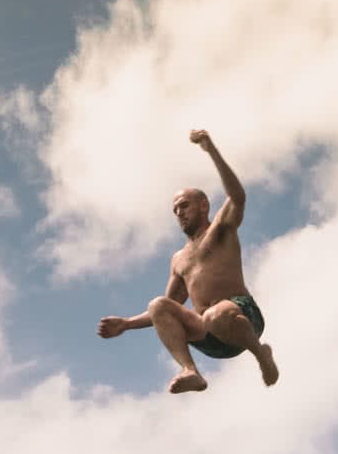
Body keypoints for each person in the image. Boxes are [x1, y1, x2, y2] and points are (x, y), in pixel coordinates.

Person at [97, 129, 280, 394]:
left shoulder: (220, 229)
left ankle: (261, 354)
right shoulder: (179, 259)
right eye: (175, 210)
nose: (179, 213)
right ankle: (191, 371)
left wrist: (210, 149)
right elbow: (164, 312)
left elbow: (238, 197)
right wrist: (126, 324)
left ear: (203, 205)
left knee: (216, 315)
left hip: (243, 318)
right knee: (159, 304)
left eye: (184, 206)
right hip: (213, 339)